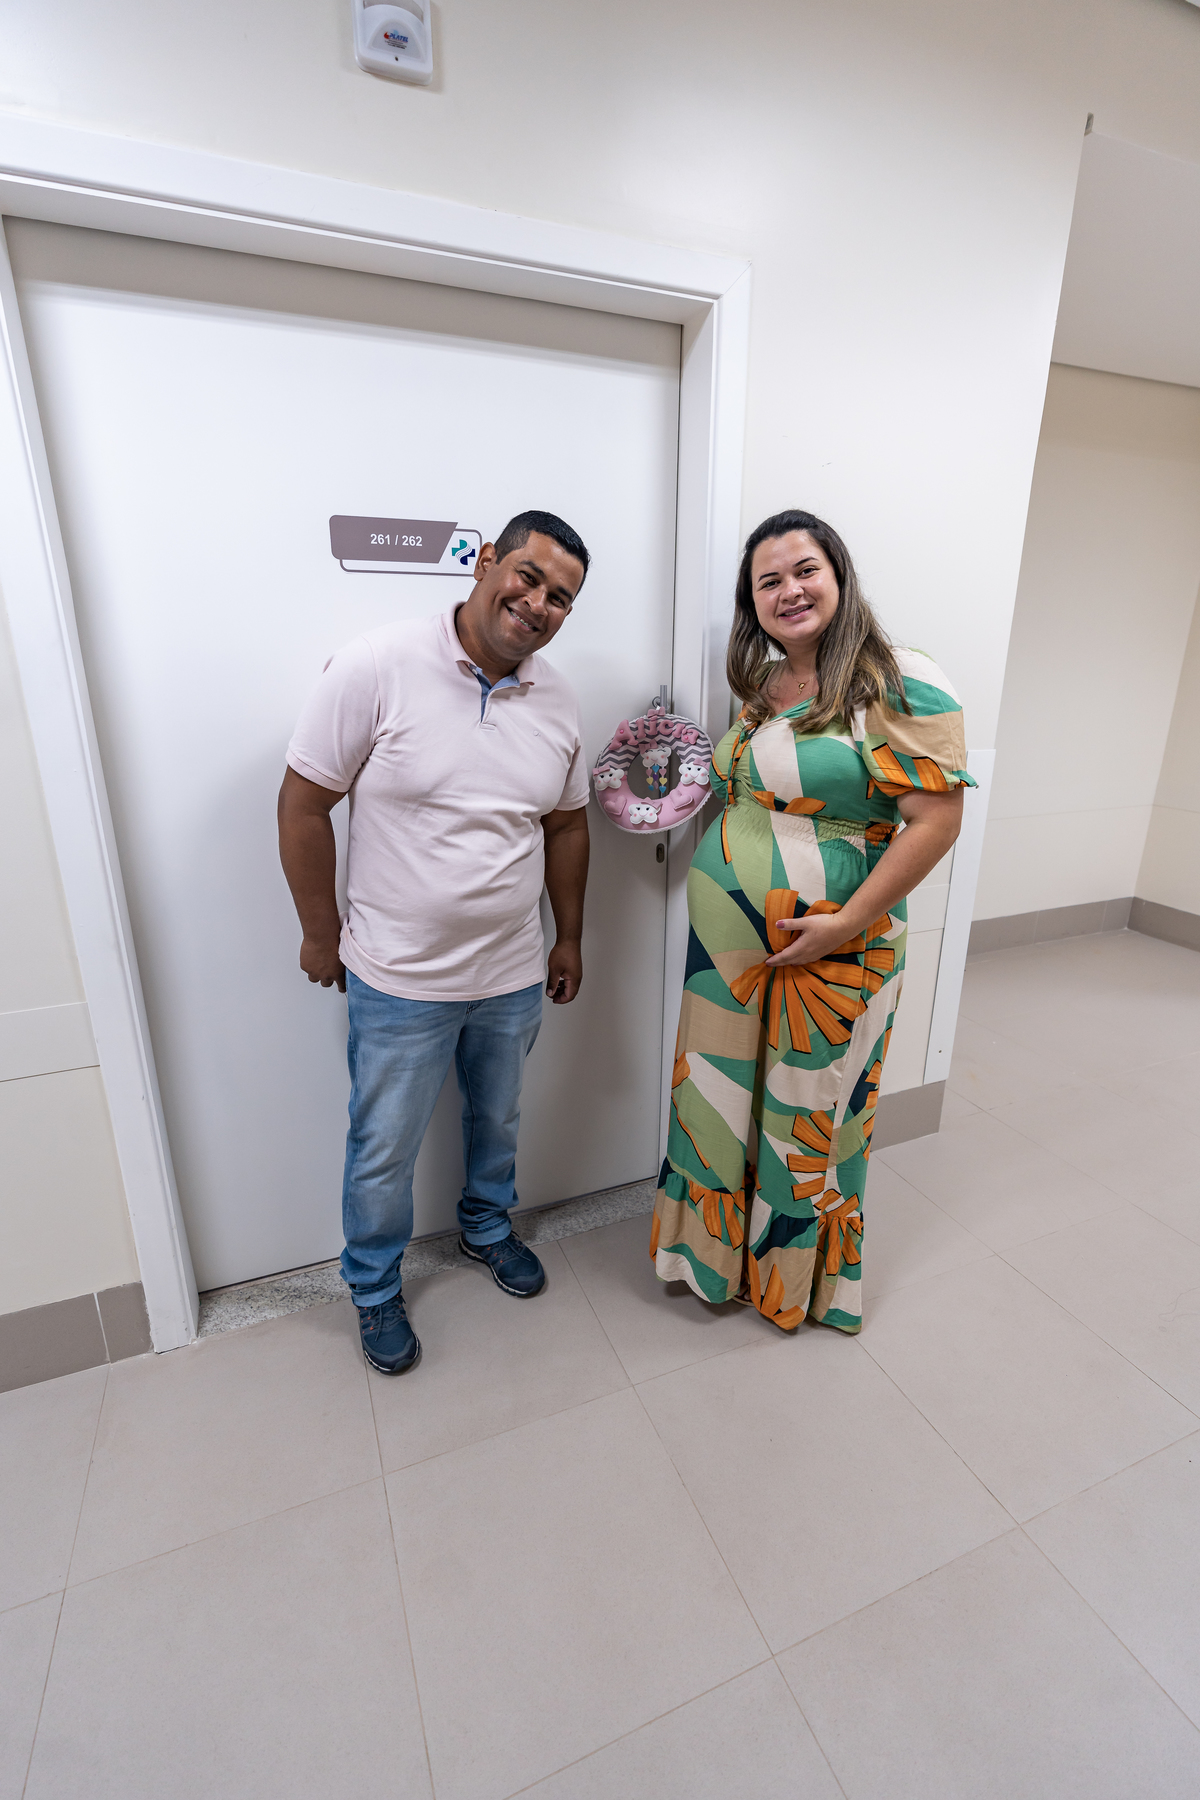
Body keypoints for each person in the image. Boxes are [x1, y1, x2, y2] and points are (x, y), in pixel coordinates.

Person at [278, 511, 591, 1375]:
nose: (538, 603)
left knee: (497, 1119)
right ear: (486, 563)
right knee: (383, 1146)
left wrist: (569, 936)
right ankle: (374, 1286)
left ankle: (486, 1227)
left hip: (511, 971)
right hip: (398, 978)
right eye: (527, 576)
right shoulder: (378, 664)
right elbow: (304, 802)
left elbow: (567, 825)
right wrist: (319, 933)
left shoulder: (558, 697)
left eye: (560, 597)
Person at [651, 509, 973, 1333]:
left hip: (834, 946)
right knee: (722, 1101)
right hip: (727, 953)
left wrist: (846, 923)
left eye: (804, 571)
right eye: (768, 581)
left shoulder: (898, 678)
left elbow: (935, 822)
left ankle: (793, 1283)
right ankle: (716, 1263)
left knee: (806, 1109)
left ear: (838, 576)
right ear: (751, 603)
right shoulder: (763, 687)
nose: (788, 591)